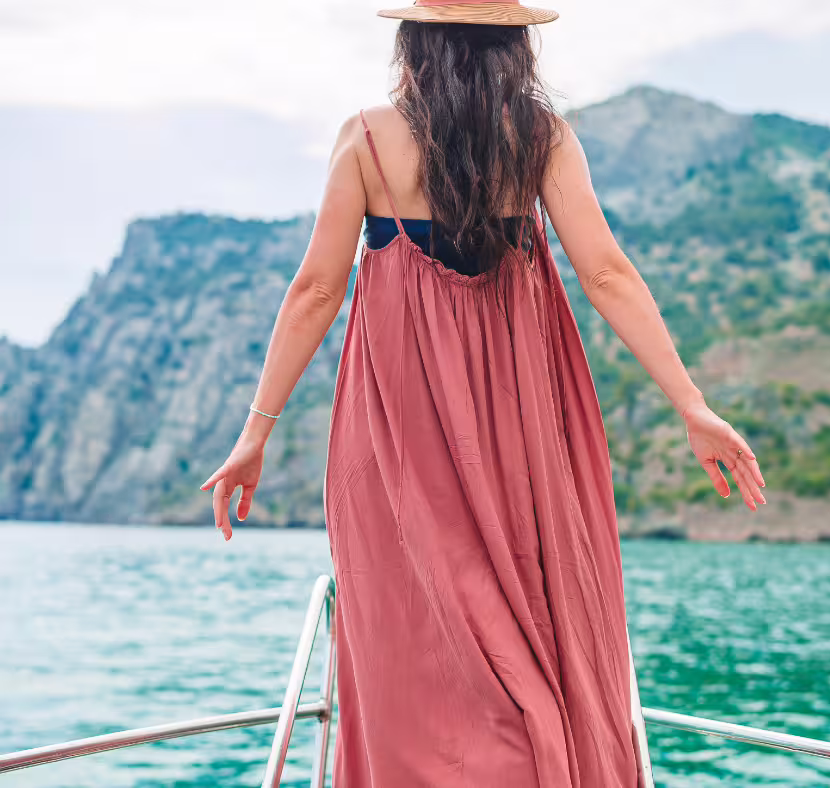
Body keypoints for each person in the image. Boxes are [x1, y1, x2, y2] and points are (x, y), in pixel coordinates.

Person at [200, 0, 767, 785]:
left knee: (413, 631)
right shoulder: (540, 139)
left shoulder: (367, 138)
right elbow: (606, 273)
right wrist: (692, 405)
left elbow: (314, 291)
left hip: (401, 429)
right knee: (531, 617)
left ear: (414, 40)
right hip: (520, 426)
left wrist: (254, 434)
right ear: (513, 45)